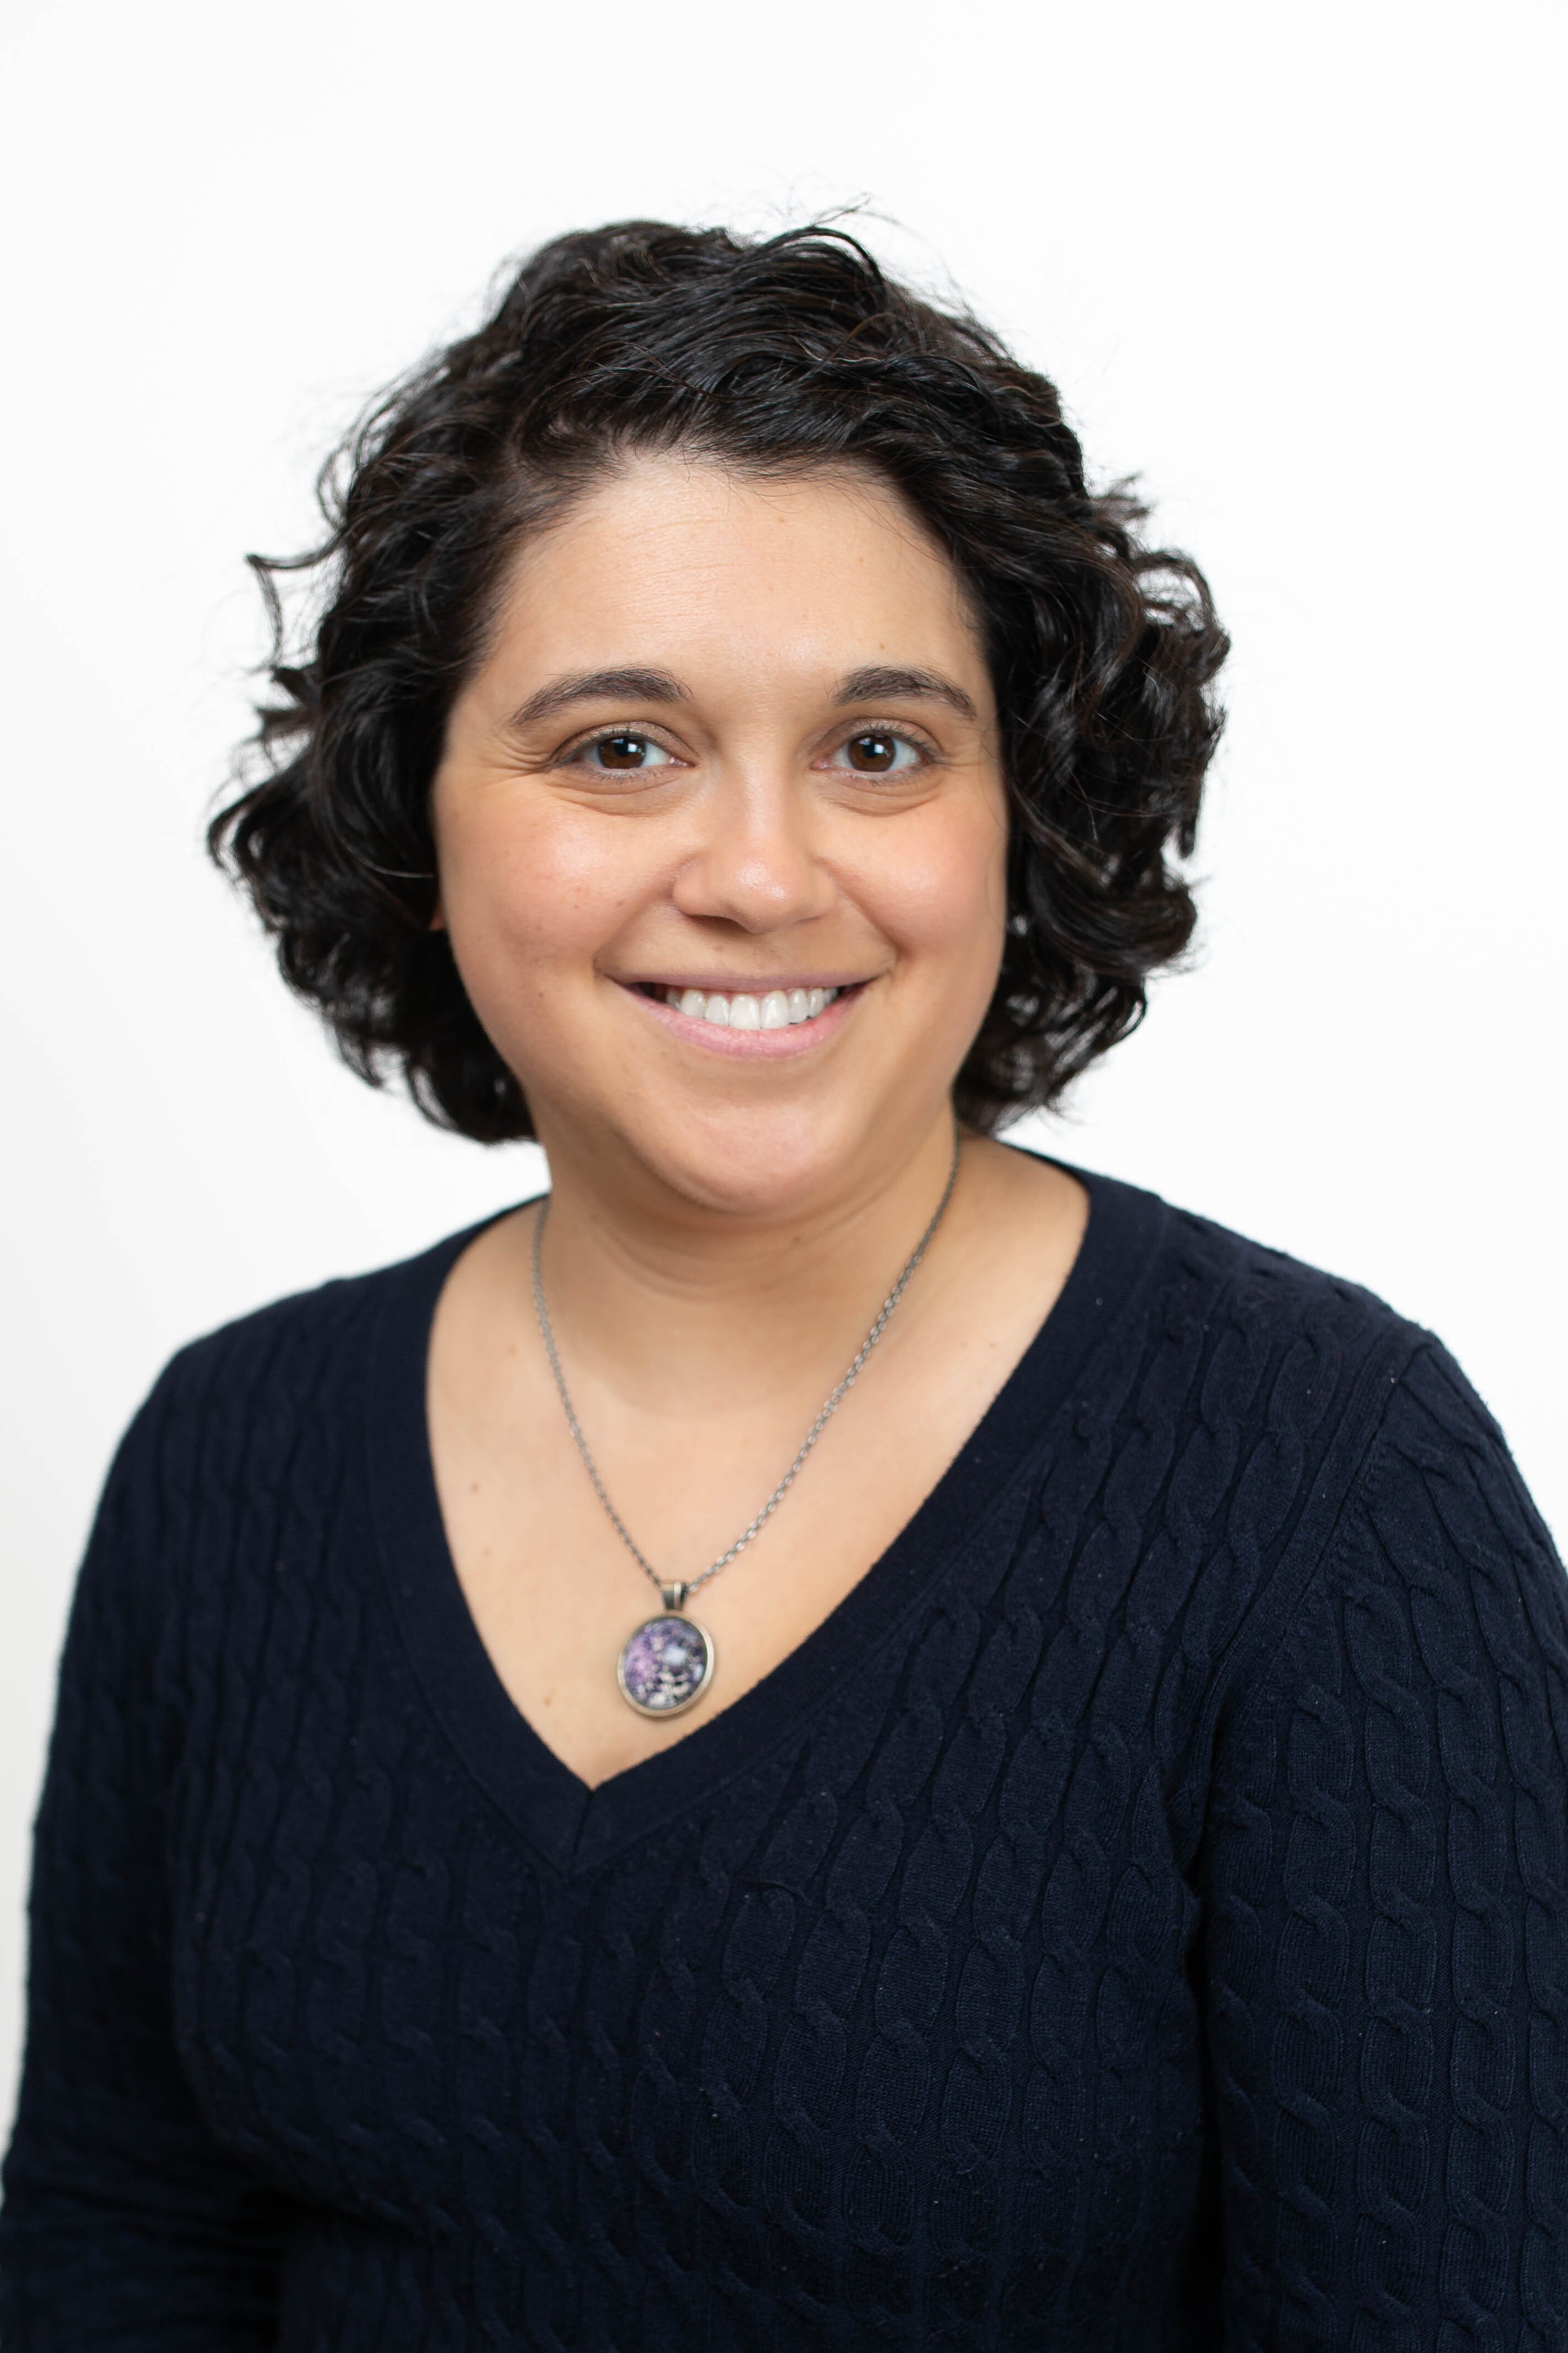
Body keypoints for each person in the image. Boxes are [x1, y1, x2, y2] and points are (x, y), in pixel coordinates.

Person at [2, 219, 1564, 2350]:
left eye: (883, 747)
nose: (758, 871)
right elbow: (117, 2237)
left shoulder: (1336, 1500)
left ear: (1025, 815)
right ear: (416, 808)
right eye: (620, 746)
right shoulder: (230, 1459)